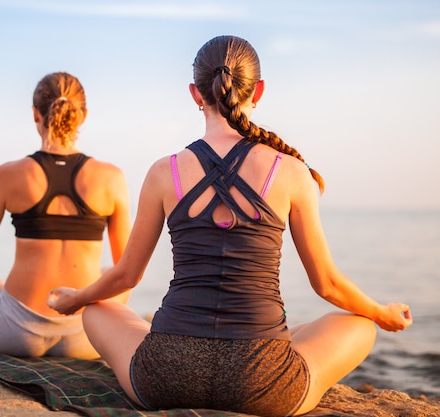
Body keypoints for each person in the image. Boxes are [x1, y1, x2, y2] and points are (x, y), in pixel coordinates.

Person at [47, 36, 413, 416]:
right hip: (264, 385)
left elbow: (125, 277)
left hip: (164, 378)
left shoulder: (163, 172)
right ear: (259, 91)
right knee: (360, 325)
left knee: (96, 310)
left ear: (195, 94)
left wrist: (73, 300)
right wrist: (382, 313)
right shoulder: (290, 172)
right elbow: (328, 285)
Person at [0, 72, 131, 360]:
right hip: (87, 336)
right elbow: (126, 271)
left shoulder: (9, 175)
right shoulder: (111, 177)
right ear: (83, 115)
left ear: (34, 114)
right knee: (109, 274)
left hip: (15, 334)